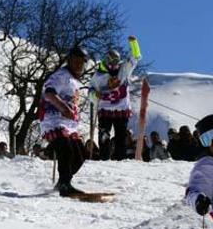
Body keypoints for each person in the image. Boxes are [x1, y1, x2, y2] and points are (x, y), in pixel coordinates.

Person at [40, 46, 90, 196]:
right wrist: (63, 108)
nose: (78, 65)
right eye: (75, 62)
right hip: (54, 120)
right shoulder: (61, 75)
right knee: (66, 149)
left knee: (80, 154)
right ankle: (65, 185)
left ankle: (63, 181)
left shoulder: (75, 81)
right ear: (69, 61)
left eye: (81, 63)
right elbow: (49, 93)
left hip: (69, 124)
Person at [89, 36, 142, 161]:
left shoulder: (123, 70)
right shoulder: (98, 76)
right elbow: (90, 90)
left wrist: (134, 43)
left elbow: (136, 58)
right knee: (104, 135)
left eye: (115, 62)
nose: (113, 65)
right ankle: (104, 157)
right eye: (111, 62)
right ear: (106, 61)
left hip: (121, 109)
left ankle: (120, 159)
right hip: (105, 109)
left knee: (121, 136)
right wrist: (94, 95)